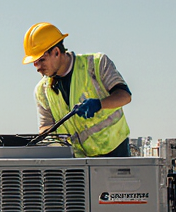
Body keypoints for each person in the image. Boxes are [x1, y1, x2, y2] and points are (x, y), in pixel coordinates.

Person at [23, 23, 132, 158]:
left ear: (56, 52)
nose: (37, 67)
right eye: (34, 62)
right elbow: (46, 128)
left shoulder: (96, 64)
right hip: (77, 162)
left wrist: (99, 104)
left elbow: (124, 96)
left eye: (41, 60)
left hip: (115, 155)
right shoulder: (42, 90)